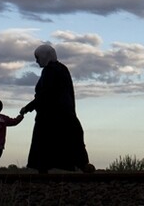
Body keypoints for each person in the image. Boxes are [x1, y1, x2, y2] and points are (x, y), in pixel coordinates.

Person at [19, 44, 95, 173]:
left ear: (44, 56)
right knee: (71, 139)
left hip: (50, 116)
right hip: (65, 113)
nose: (36, 61)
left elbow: (45, 93)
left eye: (38, 58)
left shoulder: (50, 71)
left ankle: (44, 168)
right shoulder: (62, 68)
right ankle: (80, 164)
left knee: (45, 142)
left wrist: (29, 107)